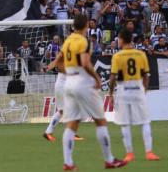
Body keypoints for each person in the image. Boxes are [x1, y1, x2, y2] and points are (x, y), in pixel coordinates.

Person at [57, 14, 127, 170]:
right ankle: (109, 160)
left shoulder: (68, 40)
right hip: (82, 83)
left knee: (72, 123)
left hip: (69, 82)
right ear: (86, 25)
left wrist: (69, 73)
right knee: (100, 120)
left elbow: (59, 61)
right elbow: (85, 62)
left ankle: (68, 163)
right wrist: (96, 77)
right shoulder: (83, 40)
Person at [109, 29, 159, 162]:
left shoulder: (117, 56)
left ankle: (129, 154)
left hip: (123, 90)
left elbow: (113, 77)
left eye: (118, 39)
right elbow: (146, 76)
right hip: (138, 89)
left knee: (125, 123)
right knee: (145, 121)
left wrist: (110, 93)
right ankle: (149, 152)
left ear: (121, 40)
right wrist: (144, 90)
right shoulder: (140, 54)